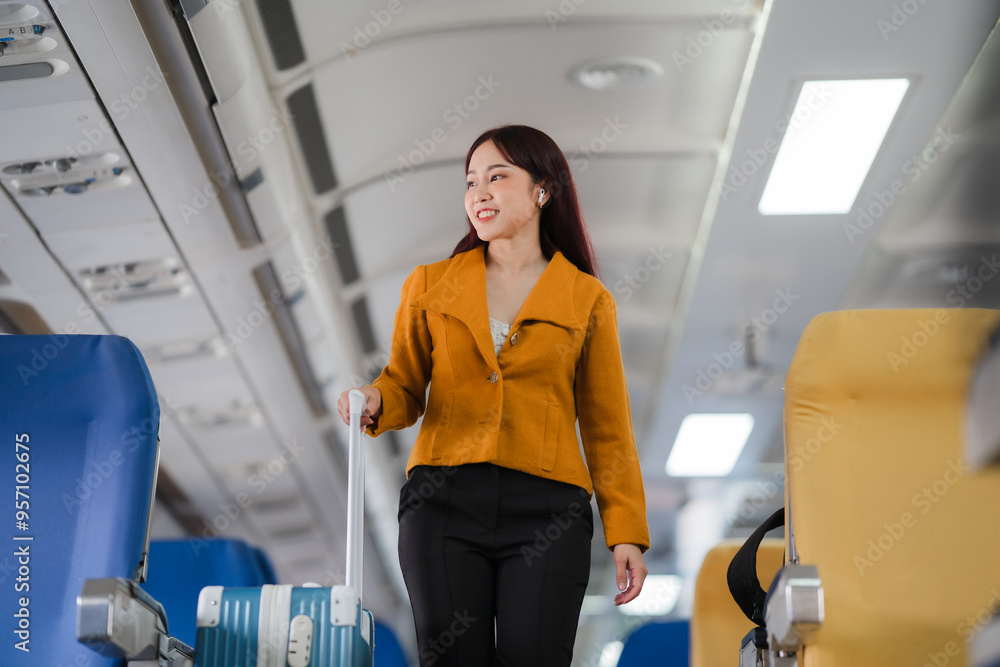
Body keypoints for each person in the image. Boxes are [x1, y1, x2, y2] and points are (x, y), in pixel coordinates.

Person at [338, 124, 649, 666]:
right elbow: (405, 385)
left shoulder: (586, 298)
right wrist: (372, 399)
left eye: (497, 177)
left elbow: (607, 426)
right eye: (471, 181)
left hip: (548, 509)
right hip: (443, 501)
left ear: (542, 190)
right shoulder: (431, 285)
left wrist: (626, 533)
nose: (479, 192)